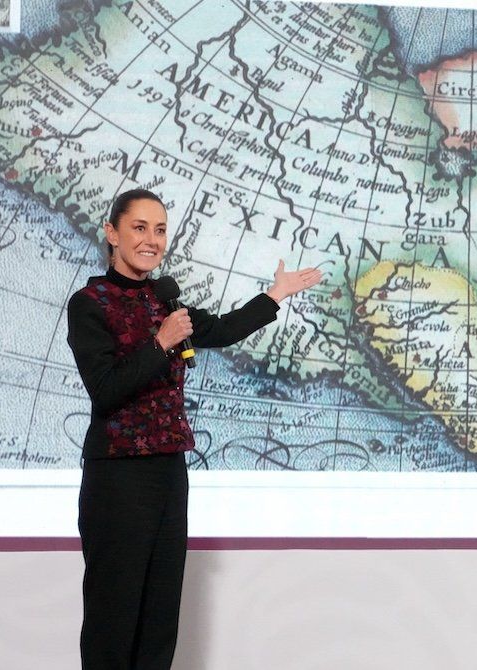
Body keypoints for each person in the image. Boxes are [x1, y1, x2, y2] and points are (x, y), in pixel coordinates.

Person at [66, 189, 321, 669]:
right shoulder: (90, 303)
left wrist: (275, 295)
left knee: (160, 617)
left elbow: (221, 331)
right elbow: (105, 389)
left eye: (159, 229)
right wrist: (161, 343)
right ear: (112, 232)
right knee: (113, 618)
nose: (151, 240)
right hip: (118, 476)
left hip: (168, 472)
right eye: (139, 227)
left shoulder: (165, 302)